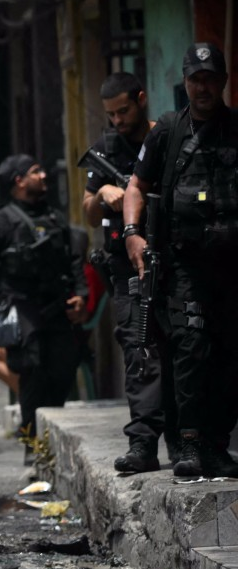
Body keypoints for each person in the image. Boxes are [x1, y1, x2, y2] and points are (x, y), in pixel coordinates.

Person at [122, 43, 238, 478]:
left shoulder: (234, 128)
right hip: (184, 264)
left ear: (222, 81)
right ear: (185, 82)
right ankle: (187, 444)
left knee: (229, 355)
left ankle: (216, 444)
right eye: (195, 79)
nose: (202, 86)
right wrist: (133, 236)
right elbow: (136, 186)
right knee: (190, 346)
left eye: (210, 78)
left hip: (232, 268)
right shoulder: (169, 130)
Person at [82, 72, 177, 473]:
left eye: (124, 111)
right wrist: (103, 195)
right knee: (140, 352)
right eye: (111, 114)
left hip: (175, 262)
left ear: (141, 99)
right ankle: (142, 443)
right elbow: (87, 212)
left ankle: (187, 441)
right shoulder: (106, 150)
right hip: (128, 268)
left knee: (183, 353)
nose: (118, 121)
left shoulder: (166, 139)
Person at [0, 155, 88, 441]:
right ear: (18, 181)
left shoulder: (54, 218)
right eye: (36, 172)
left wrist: (81, 296)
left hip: (56, 309)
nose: (44, 175)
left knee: (62, 371)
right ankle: (33, 447)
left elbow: (74, 262)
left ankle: (50, 443)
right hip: (21, 309)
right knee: (32, 374)